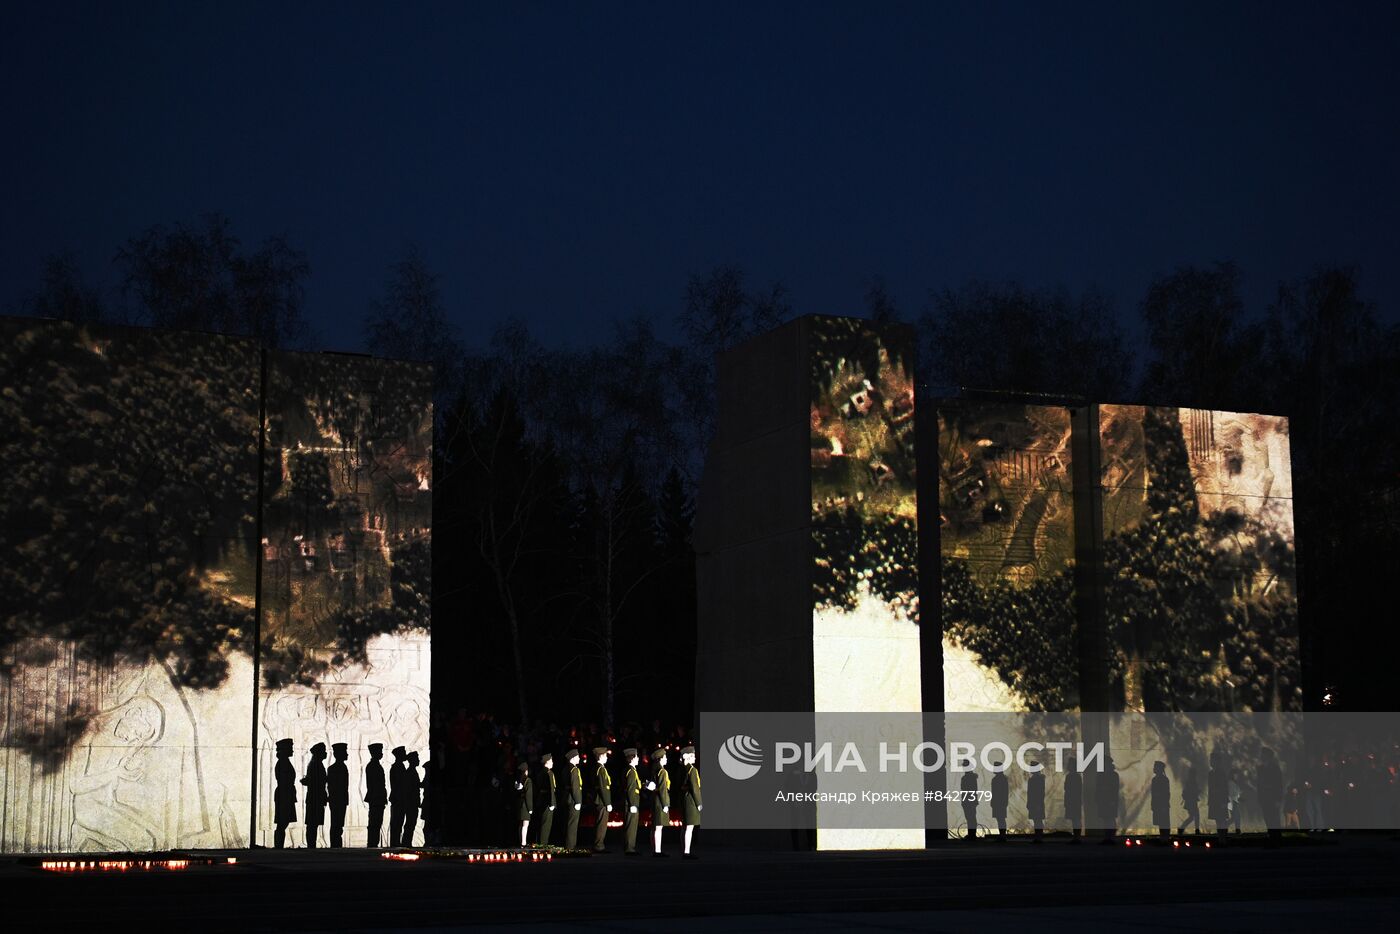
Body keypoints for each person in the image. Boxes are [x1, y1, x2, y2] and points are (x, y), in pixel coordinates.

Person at [302, 742, 328, 849]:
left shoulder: (316, 764)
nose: (325, 753)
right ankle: (311, 845)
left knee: (314, 823)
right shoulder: (315, 764)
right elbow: (314, 781)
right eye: (323, 751)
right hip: (315, 798)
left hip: (316, 797)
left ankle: (311, 845)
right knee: (312, 824)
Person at [273, 738, 296, 849]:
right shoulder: (283, 763)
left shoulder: (284, 762)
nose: (292, 750)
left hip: (286, 794)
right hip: (284, 794)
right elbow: (284, 780)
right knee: (282, 821)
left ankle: (279, 845)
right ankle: (278, 846)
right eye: (290, 748)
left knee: (284, 821)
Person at [681, 745, 702, 859]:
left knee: (685, 827)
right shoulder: (692, 770)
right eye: (692, 756)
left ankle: (684, 850)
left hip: (685, 799)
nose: (694, 758)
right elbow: (695, 788)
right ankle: (687, 851)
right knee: (689, 827)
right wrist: (699, 803)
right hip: (691, 801)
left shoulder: (683, 769)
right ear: (688, 757)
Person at [1258, 747, 1283, 840]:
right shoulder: (1260, 768)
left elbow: (1279, 784)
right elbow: (1259, 785)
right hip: (1264, 798)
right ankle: (1272, 838)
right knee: (1267, 819)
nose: (1261, 756)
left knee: (1275, 820)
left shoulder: (1275, 768)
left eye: (1263, 754)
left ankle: (1277, 839)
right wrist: (1260, 798)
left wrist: (1278, 799)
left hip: (1273, 798)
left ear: (1268, 756)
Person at [649, 747, 671, 857]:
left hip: (655, 800)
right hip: (660, 801)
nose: (666, 759)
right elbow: (663, 789)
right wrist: (665, 803)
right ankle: (657, 850)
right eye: (665, 757)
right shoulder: (662, 771)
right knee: (658, 827)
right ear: (661, 758)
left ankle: (655, 849)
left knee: (655, 827)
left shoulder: (655, 769)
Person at [364, 743, 387, 847]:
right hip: (376, 798)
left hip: (378, 798)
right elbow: (375, 785)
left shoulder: (375, 765)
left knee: (376, 823)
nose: (381, 754)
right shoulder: (373, 766)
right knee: (374, 823)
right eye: (379, 751)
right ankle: (372, 843)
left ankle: (373, 842)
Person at [327, 743, 349, 847]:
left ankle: (336, 844)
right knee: (336, 824)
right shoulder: (334, 768)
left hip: (339, 800)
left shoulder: (340, 767)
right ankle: (335, 844)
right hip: (337, 800)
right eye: (345, 752)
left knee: (338, 824)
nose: (347, 754)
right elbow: (332, 786)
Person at [592, 746, 613, 852]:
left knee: (601, 823)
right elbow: (603, 787)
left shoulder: (601, 768)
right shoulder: (600, 769)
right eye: (605, 755)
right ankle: (599, 845)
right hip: (601, 800)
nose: (607, 757)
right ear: (600, 756)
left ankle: (599, 844)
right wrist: (607, 802)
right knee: (601, 824)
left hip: (601, 800)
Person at [388, 746, 409, 847]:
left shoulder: (400, 766)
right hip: (398, 799)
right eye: (403, 753)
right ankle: (395, 843)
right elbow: (398, 785)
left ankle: (396, 842)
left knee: (399, 822)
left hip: (400, 798)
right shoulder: (397, 767)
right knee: (396, 822)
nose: (405, 754)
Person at [622, 748, 642, 855]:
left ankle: (629, 847)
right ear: (632, 758)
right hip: (632, 802)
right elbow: (630, 789)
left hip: (632, 801)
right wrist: (632, 804)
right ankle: (629, 848)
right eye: (636, 757)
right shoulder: (631, 771)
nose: (638, 759)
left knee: (631, 825)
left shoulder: (631, 770)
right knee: (631, 826)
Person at [1096, 756, 1119, 845]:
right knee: (1106, 819)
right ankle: (1107, 837)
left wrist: (1113, 800)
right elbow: (1098, 787)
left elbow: (1114, 789)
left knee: (1110, 819)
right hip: (1103, 800)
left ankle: (1111, 837)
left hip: (1110, 800)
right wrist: (1098, 798)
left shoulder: (1113, 775)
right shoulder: (1101, 774)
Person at [402, 751, 423, 846]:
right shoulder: (410, 772)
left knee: (411, 823)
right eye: (416, 758)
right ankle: (406, 843)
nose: (418, 760)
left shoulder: (412, 771)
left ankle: (407, 842)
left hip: (412, 802)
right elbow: (411, 788)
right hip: (411, 803)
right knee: (410, 823)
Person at [536, 752, 557, 845]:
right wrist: (552, 803)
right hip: (547, 800)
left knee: (542, 823)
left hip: (541, 800)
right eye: (551, 761)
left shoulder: (541, 772)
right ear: (547, 762)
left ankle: (540, 842)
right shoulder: (549, 773)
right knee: (546, 824)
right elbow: (551, 789)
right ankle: (543, 844)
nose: (552, 762)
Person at [564, 748, 583, 849]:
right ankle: (571, 846)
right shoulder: (574, 769)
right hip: (573, 799)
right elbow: (575, 787)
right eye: (577, 757)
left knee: (569, 823)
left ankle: (569, 845)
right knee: (572, 824)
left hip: (568, 798)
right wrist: (578, 801)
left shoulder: (566, 768)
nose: (579, 759)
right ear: (573, 758)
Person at [1178, 764, 1202, 835]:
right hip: (1192, 802)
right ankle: (1196, 830)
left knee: (1192, 817)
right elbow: (1192, 792)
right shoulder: (1192, 781)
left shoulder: (1189, 781)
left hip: (1190, 802)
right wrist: (1198, 791)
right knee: (1196, 816)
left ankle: (1182, 829)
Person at [1026, 761, 1045, 842]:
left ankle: (1039, 837)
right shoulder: (1035, 779)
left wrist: (1038, 804)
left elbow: (1040, 793)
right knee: (1036, 819)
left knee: (1038, 820)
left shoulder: (1038, 779)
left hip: (1036, 803)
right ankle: (1038, 836)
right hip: (1034, 803)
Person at [514, 761, 533, 847]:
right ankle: (523, 843)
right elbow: (528, 795)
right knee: (525, 824)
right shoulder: (528, 780)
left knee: (521, 825)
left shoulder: (518, 780)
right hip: (525, 806)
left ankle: (521, 842)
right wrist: (530, 808)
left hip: (519, 805)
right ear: (526, 771)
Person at [1151, 761, 1171, 837]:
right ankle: (1163, 838)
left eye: (1155, 767)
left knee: (1164, 823)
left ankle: (1165, 838)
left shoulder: (1164, 780)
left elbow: (1166, 794)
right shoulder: (1154, 779)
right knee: (1160, 823)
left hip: (1163, 806)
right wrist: (1153, 805)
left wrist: (1164, 805)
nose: (1154, 768)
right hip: (1157, 805)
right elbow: (1153, 794)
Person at [990, 762, 1009, 839]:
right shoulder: (999, 779)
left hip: (1000, 802)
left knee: (1000, 819)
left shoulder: (1000, 779)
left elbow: (1005, 792)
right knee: (1000, 819)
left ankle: (1002, 835)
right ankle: (1002, 835)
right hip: (998, 802)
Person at [1064, 766, 1083, 843]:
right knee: (1075, 819)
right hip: (1072, 800)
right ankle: (1076, 837)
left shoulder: (1074, 777)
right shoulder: (1072, 776)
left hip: (1074, 800)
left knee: (1076, 819)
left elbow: (1075, 790)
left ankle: (1077, 837)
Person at [960, 768, 979, 841]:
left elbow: (966, 790)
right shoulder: (970, 778)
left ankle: (972, 835)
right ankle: (972, 834)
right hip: (969, 801)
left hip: (968, 801)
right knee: (971, 818)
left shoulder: (967, 778)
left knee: (971, 818)